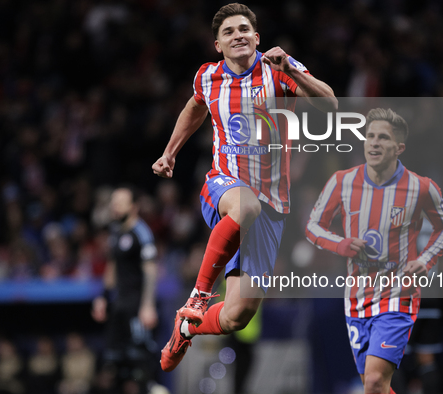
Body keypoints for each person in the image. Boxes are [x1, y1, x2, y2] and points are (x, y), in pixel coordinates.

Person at [152, 3, 337, 372]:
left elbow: (330, 104)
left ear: (256, 37)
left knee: (238, 315)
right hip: (224, 185)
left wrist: (293, 74)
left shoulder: (279, 69)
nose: (237, 35)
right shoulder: (207, 76)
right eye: (228, 32)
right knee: (245, 205)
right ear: (217, 45)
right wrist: (170, 152)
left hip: (271, 206)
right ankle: (199, 296)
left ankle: (185, 326)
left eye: (243, 29)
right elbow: (195, 107)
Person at [305, 108, 443, 394]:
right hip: (357, 297)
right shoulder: (342, 181)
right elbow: (313, 226)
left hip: (398, 294)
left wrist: (426, 259)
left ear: (399, 148)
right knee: (374, 385)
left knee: (374, 381)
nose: (373, 143)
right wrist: (340, 243)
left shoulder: (420, 187)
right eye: (370, 136)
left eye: (383, 138)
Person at [92, 187, 159, 393]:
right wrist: (103, 297)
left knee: (139, 362)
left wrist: (148, 305)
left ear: (133, 207)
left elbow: (150, 271)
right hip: (119, 305)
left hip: (136, 307)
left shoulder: (142, 233)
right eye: (113, 203)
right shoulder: (115, 232)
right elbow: (112, 267)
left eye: (120, 203)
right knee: (113, 361)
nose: (115, 207)